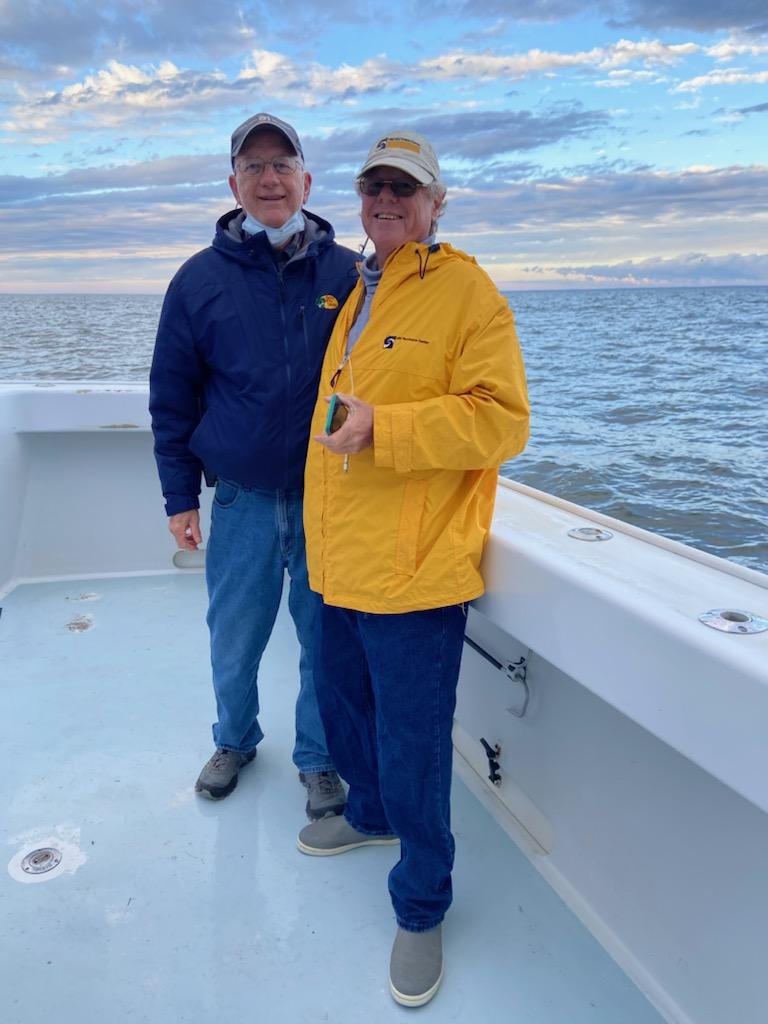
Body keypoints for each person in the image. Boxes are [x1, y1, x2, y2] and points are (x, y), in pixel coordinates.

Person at [296, 130, 530, 1006]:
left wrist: (384, 429)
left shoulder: (468, 291)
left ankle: (423, 904)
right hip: (338, 559)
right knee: (345, 710)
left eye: (405, 188)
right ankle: (368, 815)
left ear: (436, 203)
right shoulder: (361, 286)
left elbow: (503, 421)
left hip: (415, 569)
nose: (387, 200)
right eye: (375, 187)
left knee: (415, 744)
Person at [149, 113, 359, 817]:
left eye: (282, 165)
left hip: (328, 498)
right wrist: (180, 498)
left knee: (324, 640)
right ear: (233, 183)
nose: (270, 179)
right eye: (254, 166)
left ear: (307, 180)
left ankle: (319, 758)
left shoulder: (350, 273)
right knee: (234, 638)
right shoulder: (197, 280)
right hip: (241, 500)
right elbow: (171, 397)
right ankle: (234, 739)